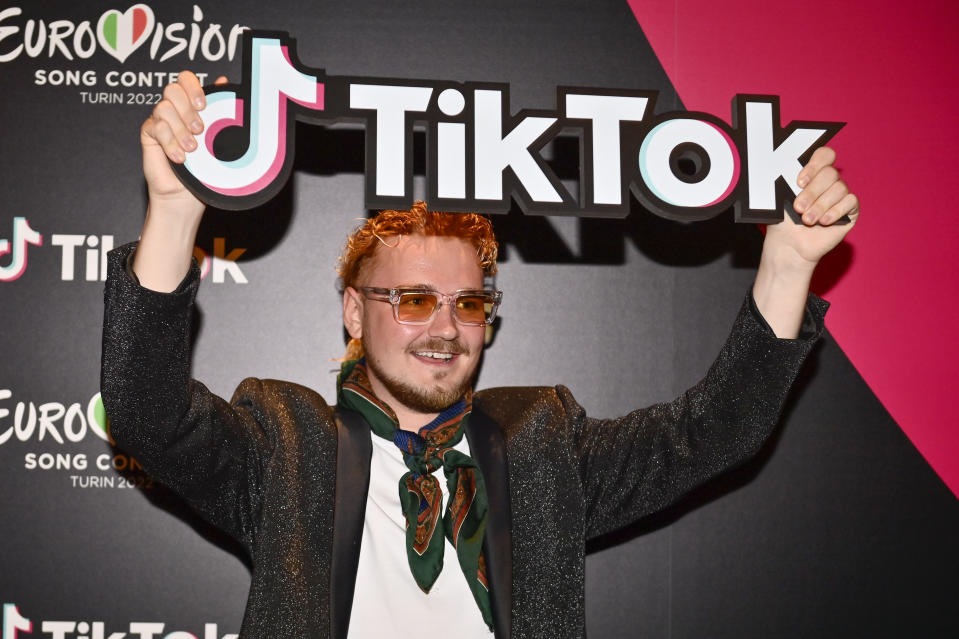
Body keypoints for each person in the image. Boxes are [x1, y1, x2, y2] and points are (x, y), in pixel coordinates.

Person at [101, 71, 859, 639]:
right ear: (351, 311)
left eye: (468, 304)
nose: (445, 327)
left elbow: (713, 433)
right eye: (413, 298)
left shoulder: (542, 441)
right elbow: (145, 412)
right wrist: (174, 213)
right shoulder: (283, 442)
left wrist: (788, 263)